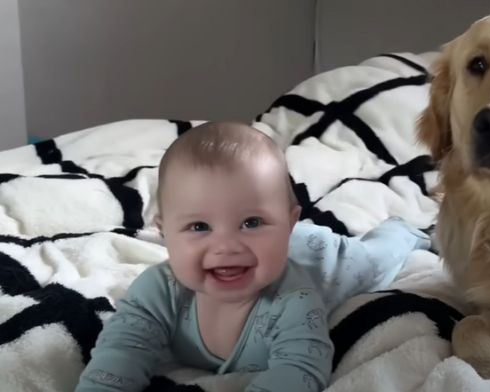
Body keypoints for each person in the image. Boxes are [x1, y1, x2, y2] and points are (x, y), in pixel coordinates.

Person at [76, 121, 430, 392]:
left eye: (251, 222)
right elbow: (119, 354)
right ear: (163, 231)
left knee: (375, 260)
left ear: (290, 223)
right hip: (279, 248)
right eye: (199, 226)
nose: (227, 246)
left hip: (321, 260)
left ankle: (403, 230)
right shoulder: (157, 292)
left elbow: (300, 372)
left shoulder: (293, 300)